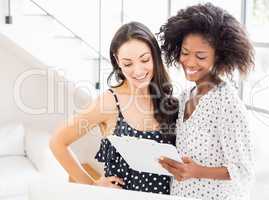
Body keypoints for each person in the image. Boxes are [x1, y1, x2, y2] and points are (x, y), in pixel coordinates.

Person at [50, 21, 178, 195]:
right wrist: (92, 185)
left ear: (155, 55)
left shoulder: (168, 99)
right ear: (117, 62)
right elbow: (57, 142)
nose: (138, 70)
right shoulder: (109, 102)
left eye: (145, 59)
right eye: (128, 63)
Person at [158, 3, 254, 200]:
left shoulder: (227, 103)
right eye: (185, 53)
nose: (190, 62)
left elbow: (243, 170)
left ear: (219, 57)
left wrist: (197, 171)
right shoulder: (186, 95)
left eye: (201, 56)